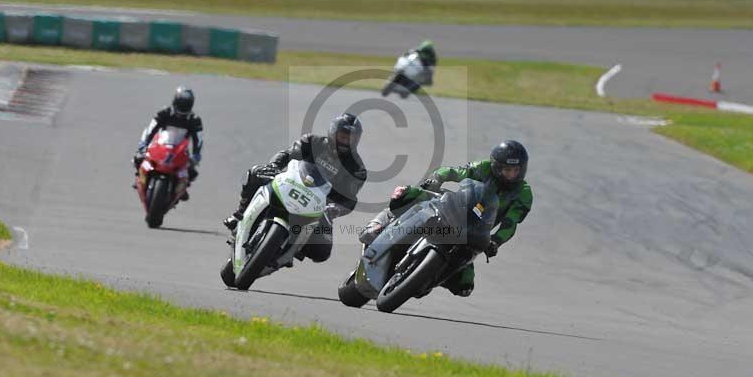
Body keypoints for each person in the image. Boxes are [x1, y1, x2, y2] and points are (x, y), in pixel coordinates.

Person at [359, 140, 532, 297]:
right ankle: (379, 225)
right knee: (409, 194)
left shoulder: (523, 193)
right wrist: (437, 178)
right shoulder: (483, 167)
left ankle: (426, 279)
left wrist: (496, 241)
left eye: (515, 171)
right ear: (496, 166)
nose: (511, 175)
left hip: (476, 231)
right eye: (507, 170)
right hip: (455, 209)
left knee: (464, 286)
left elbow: (511, 222)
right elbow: (455, 172)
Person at [223, 113, 367, 263]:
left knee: (322, 252)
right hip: (291, 185)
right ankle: (239, 215)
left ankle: (293, 249)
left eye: (351, 139)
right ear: (332, 132)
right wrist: (274, 166)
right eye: (343, 137)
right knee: (255, 173)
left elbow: (349, 199)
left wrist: (334, 209)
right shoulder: (312, 142)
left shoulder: (357, 169)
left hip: (319, 206)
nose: (346, 142)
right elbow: (287, 154)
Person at [133, 86, 203, 200]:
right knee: (138, 159)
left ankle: (181, 189)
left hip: (179, 151)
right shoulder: (165, 112)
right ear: (175, 101)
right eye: (181, 103)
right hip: (160, 145)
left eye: (186, 104)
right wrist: (143, 145)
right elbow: (151, 129)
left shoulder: (194, 120)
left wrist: (196, 155)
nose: (183, 106)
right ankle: (139, 178)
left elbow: (198, 139)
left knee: (192, 172)